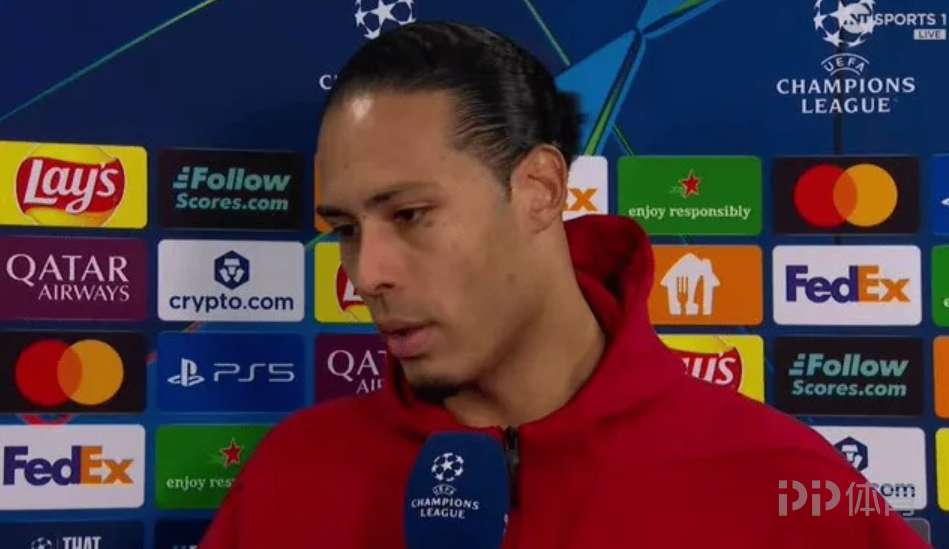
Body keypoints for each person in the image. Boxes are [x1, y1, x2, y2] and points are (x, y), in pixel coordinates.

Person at [199, 21, 929, 548]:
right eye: (346, 229)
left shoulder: (779, 483)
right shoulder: (291, 477)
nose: (368, 274)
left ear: (541, 189)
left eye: (410, 214)